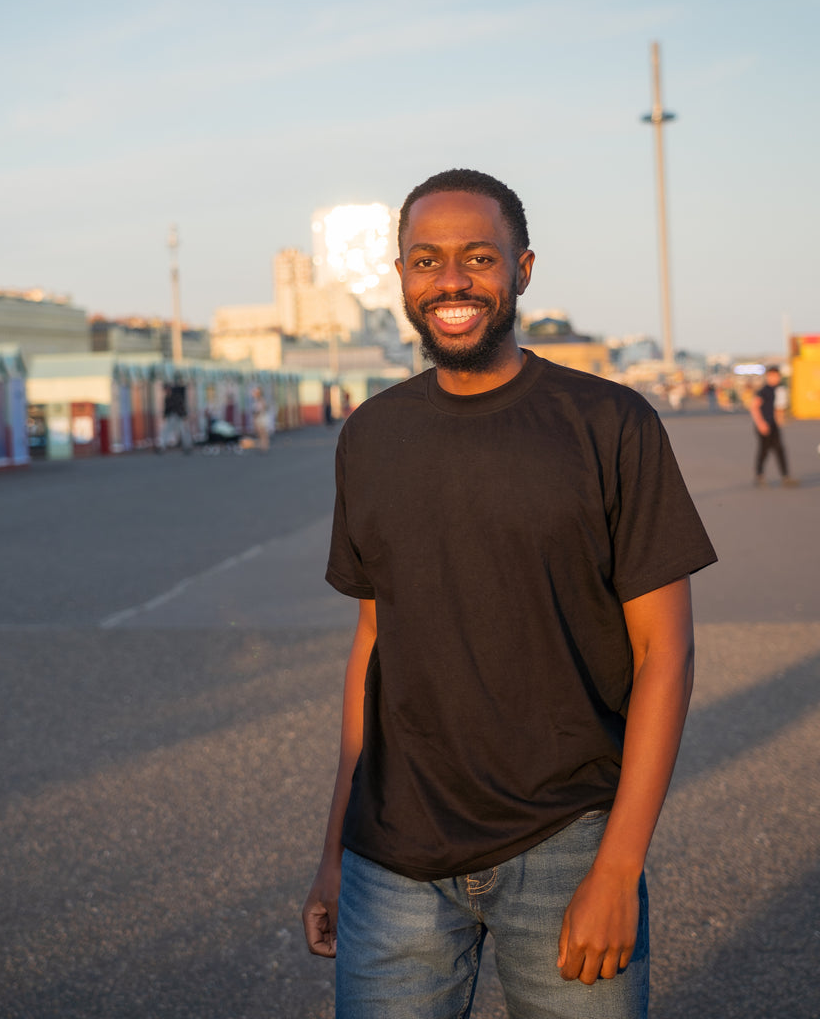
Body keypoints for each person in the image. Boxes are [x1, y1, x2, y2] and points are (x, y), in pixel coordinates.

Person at [301, 168, 717, 1019]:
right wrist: (337, 846)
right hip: (393, 856)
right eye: (426, 260)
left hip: (566, 846)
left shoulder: (610, 424)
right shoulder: (371, 436)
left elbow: (663, 654)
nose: (451, 281)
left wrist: (619, 866)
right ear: (402, 279)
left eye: (478, 257)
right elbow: (372, 647)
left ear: (522, 270)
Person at [749, 366, 797, 486]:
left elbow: (776, 409)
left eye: (777, 376)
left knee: (780, 449)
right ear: (769, 376)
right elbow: (754, 407)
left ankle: (786, 477)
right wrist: (761, 423)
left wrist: (780, 420)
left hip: (773, 425)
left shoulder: (777, 389)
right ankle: (759, 475)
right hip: (764, 425)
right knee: (764, 451)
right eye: (774, 376)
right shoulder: (764, 390)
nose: (776, 378)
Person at [158, 378, 192, 454]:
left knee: (182, 431)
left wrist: (184, 415)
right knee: (165, 431)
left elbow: (181, 406)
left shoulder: (176, 396)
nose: (166, 391)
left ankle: (187, 446)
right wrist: (164, 415)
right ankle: (162, 446)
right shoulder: (167, 398)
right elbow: (166, 409)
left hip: (178, 416)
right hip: (171, 417)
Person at [251, 386, 271, 451]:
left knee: (263, 433)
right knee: (260, 433)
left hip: (261, 418)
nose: (253, 394)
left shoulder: (261, 400)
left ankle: (264, 446)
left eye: (255, 393)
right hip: (259, 417)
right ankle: (263, 445)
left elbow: (262, 408)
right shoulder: (256, 400)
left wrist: (256, 413)